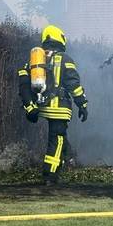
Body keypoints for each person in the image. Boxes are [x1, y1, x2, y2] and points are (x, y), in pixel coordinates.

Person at [18, 25, 89, 185]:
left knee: (59, 138)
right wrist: (82, 104)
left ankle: (67, 160)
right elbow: (74, 85)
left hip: (43, 105)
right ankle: (50, 176)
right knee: (57, 140)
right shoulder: (65, 59)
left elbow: (23, 80)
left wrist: (30, 106)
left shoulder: (37, 58)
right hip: (60, 107)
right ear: (60, 39)